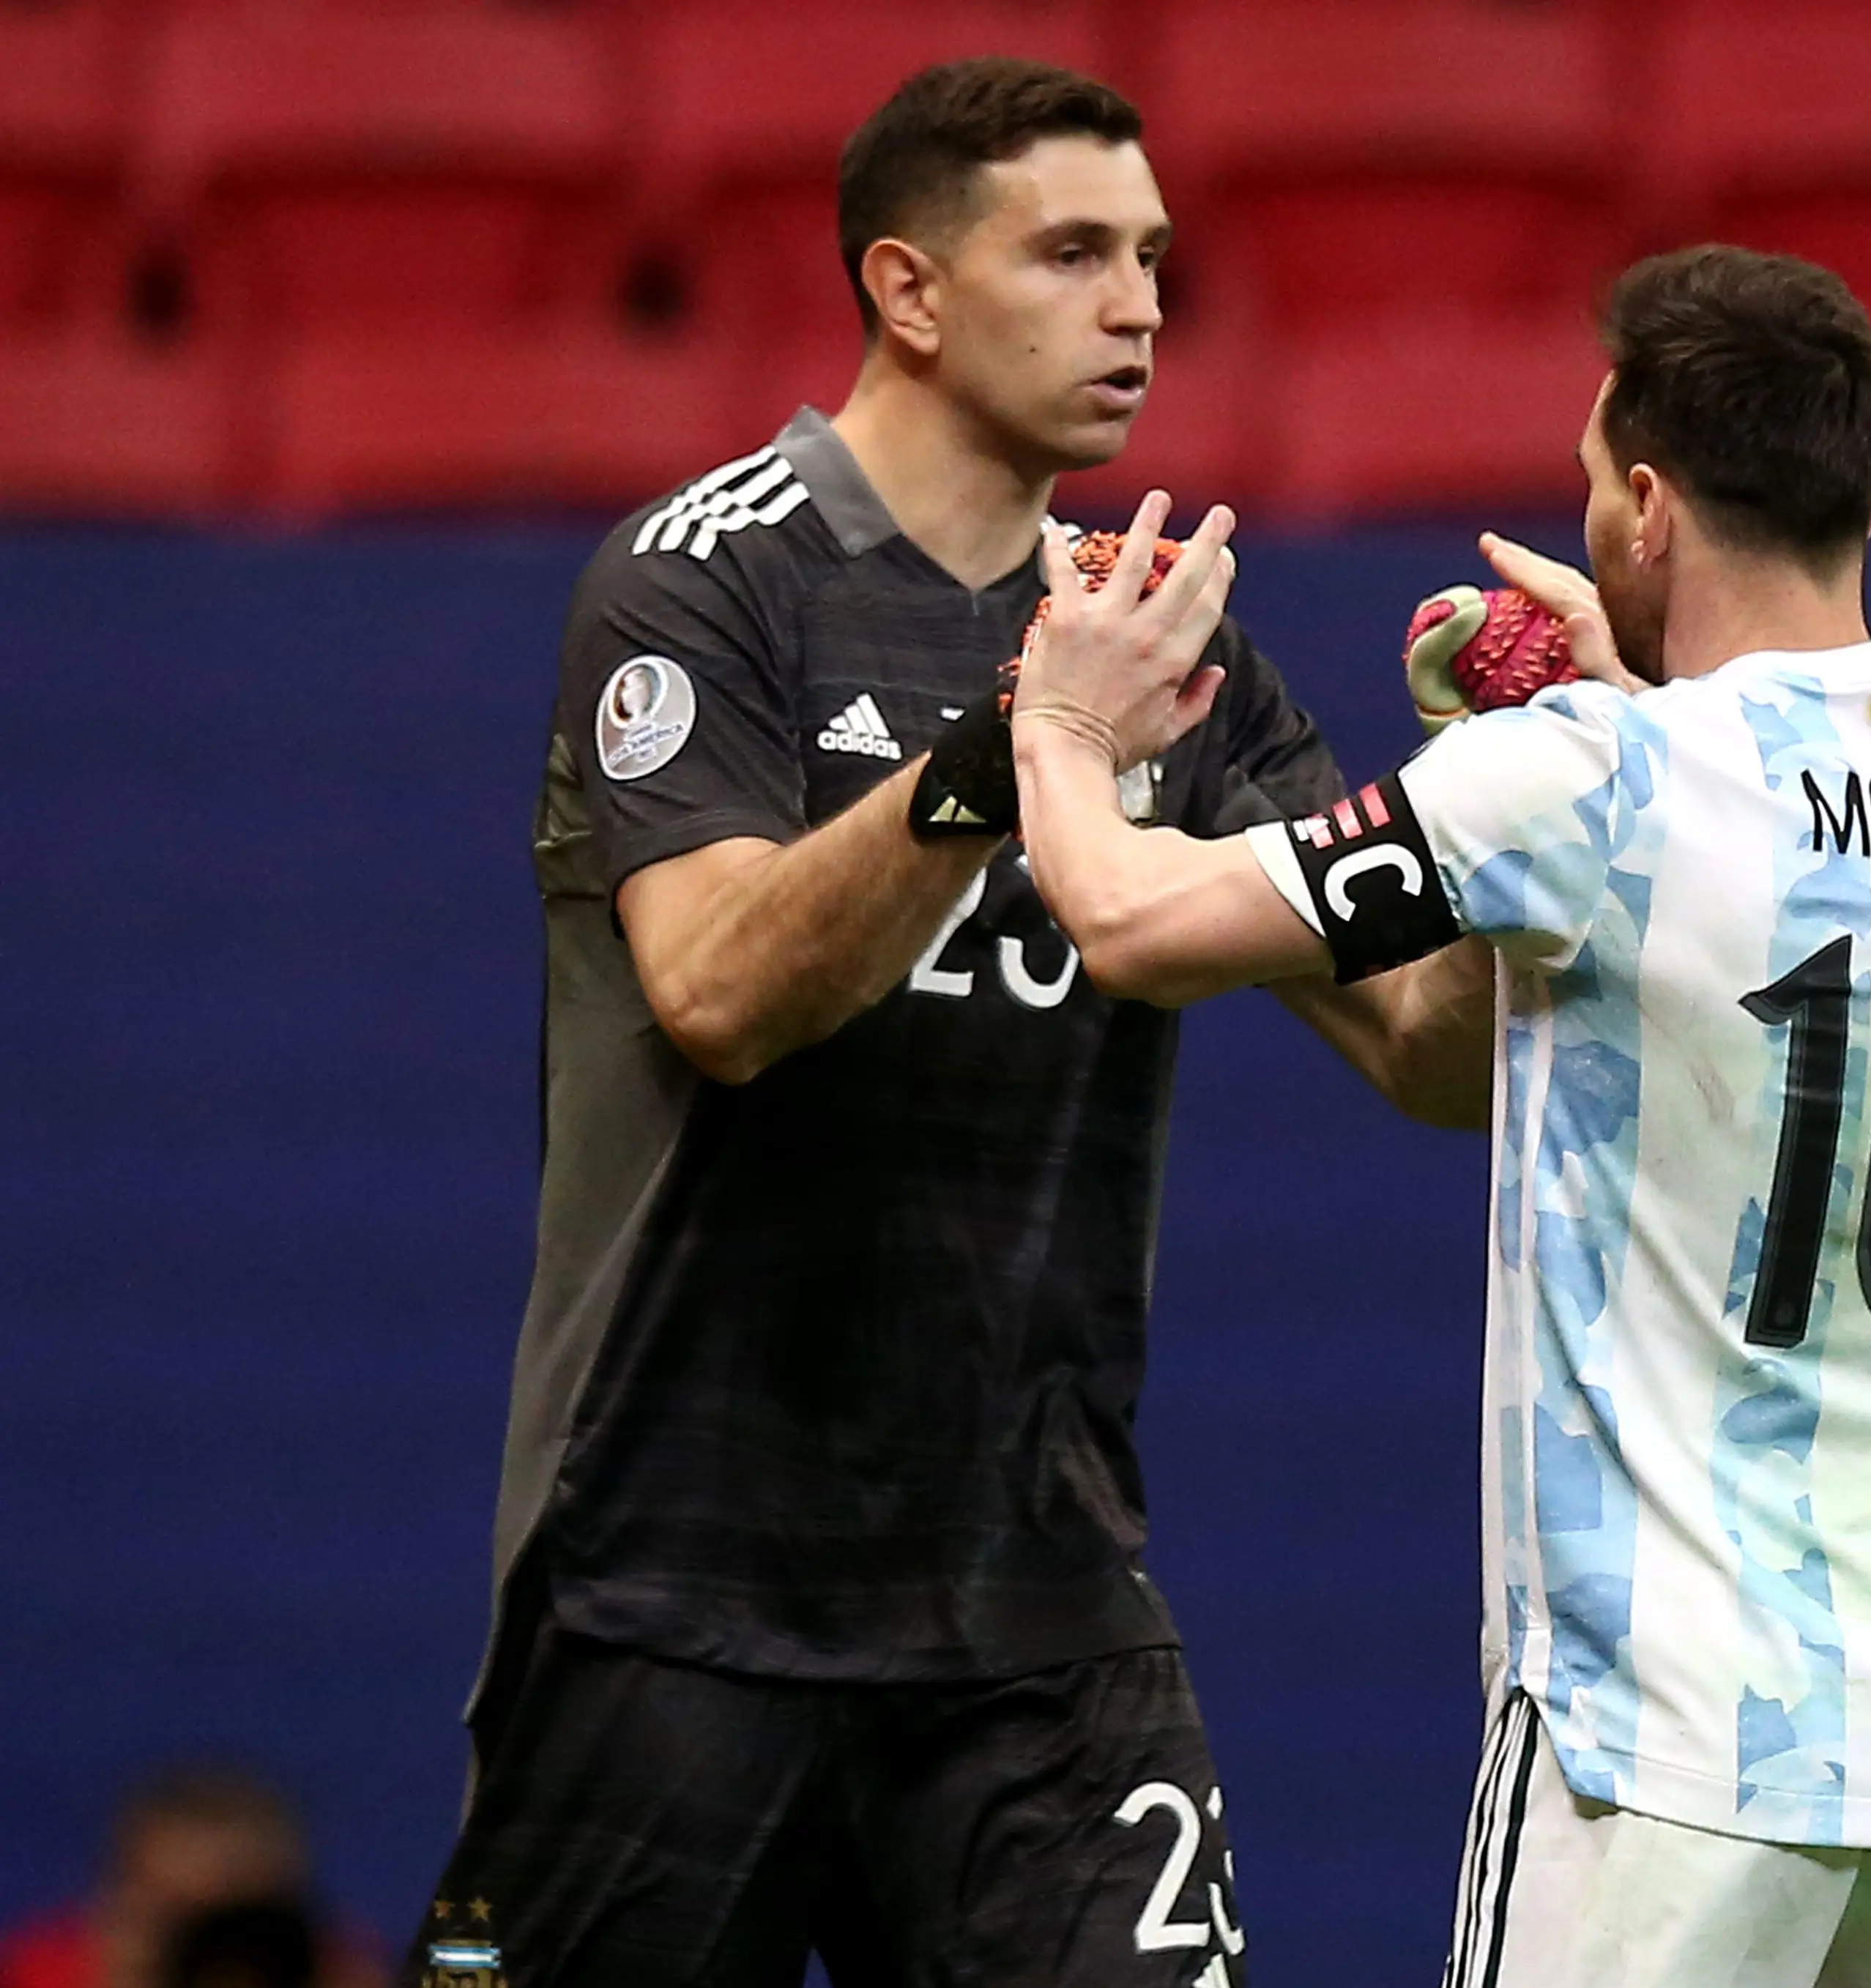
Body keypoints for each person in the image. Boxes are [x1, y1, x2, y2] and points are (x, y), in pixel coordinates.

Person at [406, 56, 1486, 1988]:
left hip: (1035, 1618)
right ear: (906, 289)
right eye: (1073, 252)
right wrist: (1010, 751)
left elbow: (1430, 1049)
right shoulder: (701, 584)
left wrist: (1512, 801)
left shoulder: (1177, 659)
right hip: (669, 1594)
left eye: (1154, 257)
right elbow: (722, 990)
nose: (1140, 304)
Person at [1008, 245, 1871, 1987]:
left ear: (1642, 505)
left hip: (1672, 1748)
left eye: (1585, 480)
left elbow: (1127, 920)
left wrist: (1058, 717)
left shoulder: (1577, 785)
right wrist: (1629, 710)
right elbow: (1796, 875)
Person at [0, 1768, 374, 1988]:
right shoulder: (32, 1974)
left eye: (221, 1923)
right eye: (166, 1906)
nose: (185, 1942)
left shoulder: (340, 1971)